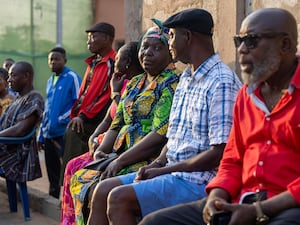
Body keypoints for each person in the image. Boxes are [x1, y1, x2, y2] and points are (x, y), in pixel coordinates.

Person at [139, 8, 300, 225]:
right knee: (154, 222)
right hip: (243, 198)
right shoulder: (248, 94)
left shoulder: (224, 82)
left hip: (288, 204)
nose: (242, 50)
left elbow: (218, 151)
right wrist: (217, 195)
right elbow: (232, 160)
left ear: (285, 45)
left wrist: (259, 209)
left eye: (252, 41)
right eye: (239, 41)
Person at [86, 8, 242, 225]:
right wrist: (157, 163)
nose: (169, 43)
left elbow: (219, 153)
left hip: (198, 180)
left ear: (187, 36)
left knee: (119, 198)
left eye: (171, 36)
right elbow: (173, 134)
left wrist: (166, 169)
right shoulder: (187, 78)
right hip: (173, 173)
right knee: (102, 189)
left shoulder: (221, 81)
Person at [71, 23, 180, 225]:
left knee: (101, 187)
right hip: (121, 154)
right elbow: (116, 122)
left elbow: (159, 135)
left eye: (157, 48)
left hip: (148, 158)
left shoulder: (172, 83)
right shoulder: (134, 83)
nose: (148, 52)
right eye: (145, 47)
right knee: (80, 177)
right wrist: (101, 150)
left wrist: (120, 161)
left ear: (170, 54)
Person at [60, 41, 144, 225]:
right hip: (106, 144)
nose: (115, 63)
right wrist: (93, 137)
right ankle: (69, 220)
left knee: (79, 170)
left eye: (118, 59)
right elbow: (108, 120)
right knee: (72, 166)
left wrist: (115, 92)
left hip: (122, 149)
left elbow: (126, 118)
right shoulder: (127, 84)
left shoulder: (128, 87)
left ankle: (74, 220)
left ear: (128, 63)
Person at [61, 22, 117, 181]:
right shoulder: (93, 62)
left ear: (106, 39)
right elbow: (84, 94)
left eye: (93, 37)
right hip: (83, 116)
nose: (89, 41)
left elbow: (106, 96)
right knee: (69, 136)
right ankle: (67, 185)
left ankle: (74, 184)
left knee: (74, 136)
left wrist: (83, 116)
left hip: (97, 118)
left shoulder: (112, 62)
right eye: (88, 38)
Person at [37, 47, 82, 199]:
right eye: (51, 59)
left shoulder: (72, 77)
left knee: (68, 169)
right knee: (52, 171)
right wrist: (40, 135)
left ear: (65, 60)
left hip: (64, 133)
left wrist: (62, 120)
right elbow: (47, 109)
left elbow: (79, 102)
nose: (53, 62)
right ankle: (54, 199)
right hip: (49, 133)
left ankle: (70, 201)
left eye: (57, 59)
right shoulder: (50, 81)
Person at [0, 61, 44, 182]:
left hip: (16, 156)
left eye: (13, 75)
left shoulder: (34, 98)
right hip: (5, 149)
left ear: (26, 76)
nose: (9, 80)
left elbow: (21, 129)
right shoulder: (18, 98)